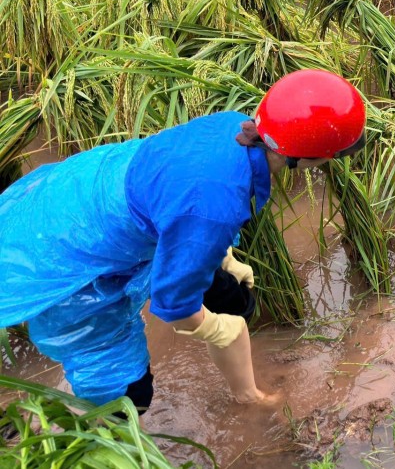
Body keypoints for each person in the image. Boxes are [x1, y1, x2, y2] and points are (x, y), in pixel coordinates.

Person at [0, 70, 367, 413]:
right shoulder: (212, 204)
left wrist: (222, 258)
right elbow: (173, 302)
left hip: (90, 192)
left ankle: (244, 395)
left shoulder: (234, 125)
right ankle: (76, 415)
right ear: (311, 157)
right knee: (126, 398)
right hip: (62, 248)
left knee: (234, 299)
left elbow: (185, 197)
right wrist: (213, 328)